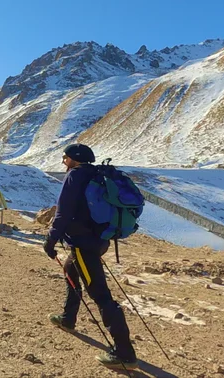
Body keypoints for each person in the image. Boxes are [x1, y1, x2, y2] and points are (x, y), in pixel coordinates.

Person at [42, 143, 138, 371]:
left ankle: (125, 353)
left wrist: (50, 240)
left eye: (64, 159)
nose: (64, 163)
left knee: (101, 296)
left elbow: (63, 212)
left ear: (73, 159)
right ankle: (68, 319)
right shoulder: (95, 174)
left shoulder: (75, 177)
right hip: (99, 240)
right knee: (70, 270)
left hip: (83, 245)